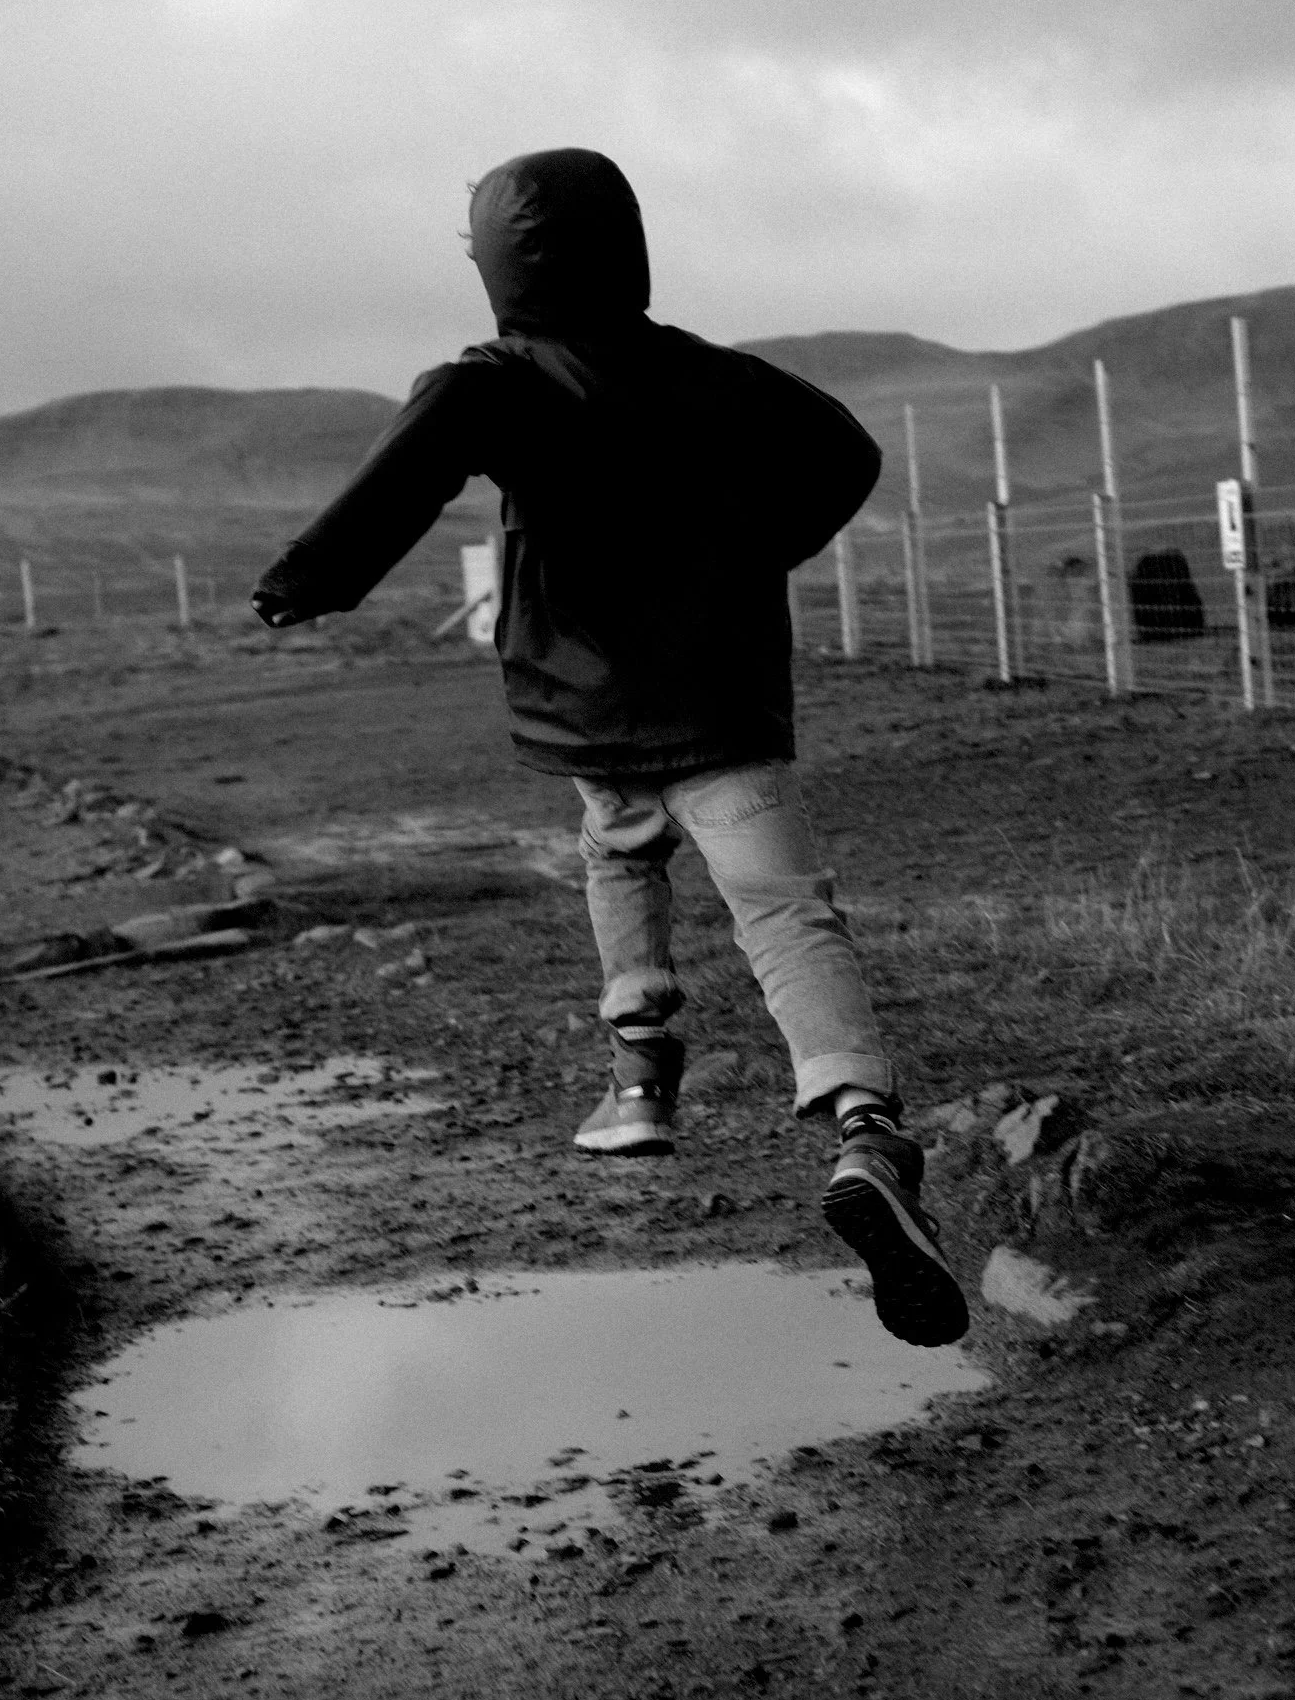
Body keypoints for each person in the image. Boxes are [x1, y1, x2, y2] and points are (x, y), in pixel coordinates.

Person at [251, 145, 967, 1349]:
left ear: (496, 258)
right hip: (719, 698)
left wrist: (302, 583)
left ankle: (639, 1084)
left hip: (581, 702)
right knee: (786, 913)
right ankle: (864, 1131)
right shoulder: (717, 378)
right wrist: (753, 555)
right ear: (626, 243)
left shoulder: (490, 382)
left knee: (617, 845)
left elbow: (399, 480)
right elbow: (846, 456)